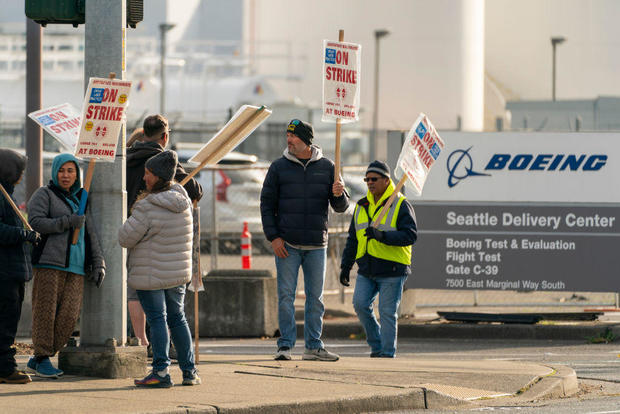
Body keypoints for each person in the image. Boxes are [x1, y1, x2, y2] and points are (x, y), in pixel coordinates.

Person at [260, 119, 349, 362]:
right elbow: (266, 205)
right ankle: (285, 346)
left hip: (316, 245)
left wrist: (339, 195)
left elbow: (341, 207)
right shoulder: (278, 167)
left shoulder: (329, 166)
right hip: (286, 244)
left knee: (315, 298)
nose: (289, 140)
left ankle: (313, 346)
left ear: (306, 140)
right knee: (286, 297)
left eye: (294, 137)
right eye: (287, 136)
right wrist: (274, 237)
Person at [119, 150, 200, 387]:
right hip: (177, 274)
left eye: (148, 173)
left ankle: (161, 372)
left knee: (157, 320)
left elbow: (125, 238)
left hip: (150, 273)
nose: (144, 178)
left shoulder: (147, 206)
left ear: (158, 177)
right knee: (178, 318)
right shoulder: (183, 201)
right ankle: (189, 371)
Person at [126, 115, 202, 351]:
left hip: (131, 228)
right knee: (170, 311)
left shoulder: (126, 157)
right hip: (161, 237)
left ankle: (140, 340)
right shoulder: (163, 161)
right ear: (165, 136)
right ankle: (171, 358)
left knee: (135, 292)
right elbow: (194, 190)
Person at [26, 153, 106, 378]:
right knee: (45, 313)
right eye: (62, 170)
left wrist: (98, 262)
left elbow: (91, 233)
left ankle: (37, 359)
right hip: (49, 264)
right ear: (55, 172)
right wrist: (67, 222)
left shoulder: (82, 198)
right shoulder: (44, 194)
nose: (66, 175)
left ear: (77, 174)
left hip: (76, 267)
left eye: (71, 171)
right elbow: (35, 222)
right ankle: (42, 358)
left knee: (68, 318)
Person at [339, 160, 417, 358]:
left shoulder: (399, 203)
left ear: (386, 180)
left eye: (374, 179)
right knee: (360, 305)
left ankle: (387, 353)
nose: (370, 183)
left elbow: (411, 235)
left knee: (388, 313)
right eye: (367, 179)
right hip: (367, 268)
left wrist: (383, 237)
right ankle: (377, 345)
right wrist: (346, 266)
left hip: (392, 268)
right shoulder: (361, 206)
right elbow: (353, 239)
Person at [0, 149, 39, 384]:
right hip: (4, 271)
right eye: (20, 171)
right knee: (5, 322)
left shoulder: (7, 195)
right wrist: (23, 234)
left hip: (11, 270)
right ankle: (5, 368)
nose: (22, 176)